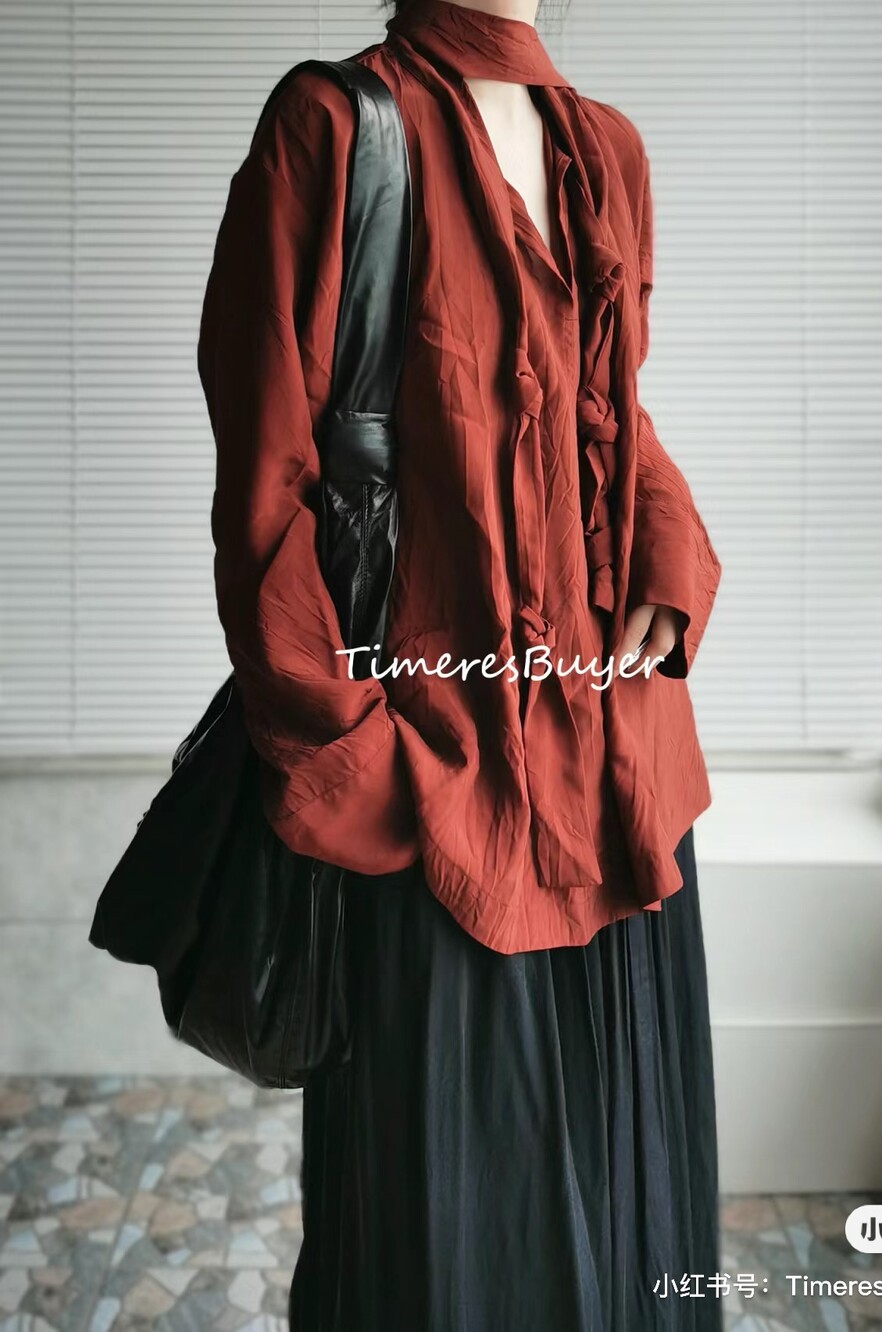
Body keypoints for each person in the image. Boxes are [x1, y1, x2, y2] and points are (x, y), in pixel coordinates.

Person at [197, 0, 724, 1326]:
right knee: (442, 1244)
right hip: (434, 790)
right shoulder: (336, 126)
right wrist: (354, 759)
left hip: (621, 774)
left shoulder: (607, 148)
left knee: (633, 1208)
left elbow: (608, 403)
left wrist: (667, 555)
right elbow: (268, 483)